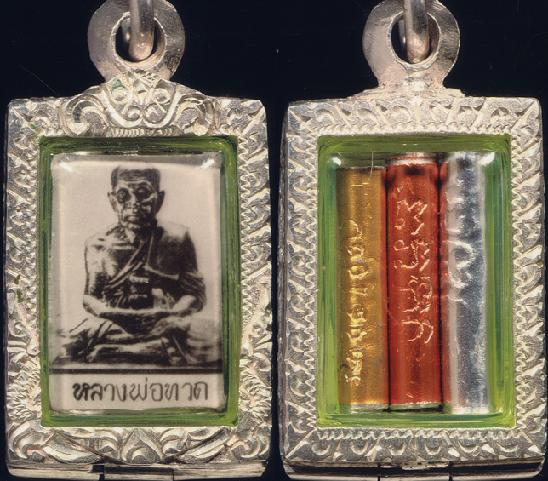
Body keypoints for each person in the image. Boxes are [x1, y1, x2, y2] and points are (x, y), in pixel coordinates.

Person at [57, 166, 220, 367]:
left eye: (143, 193)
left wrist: (172, 315)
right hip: (115, 321)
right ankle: (144, 349)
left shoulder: (177, 238)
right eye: (123, 195)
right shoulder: (97, 244)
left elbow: (195, 295)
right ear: (112, 200)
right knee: (70, 339)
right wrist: (113, 314)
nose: (134, 203)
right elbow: (91, 298)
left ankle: (127, 349)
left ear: (159, 199)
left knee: (212, 334)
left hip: (164, 320)